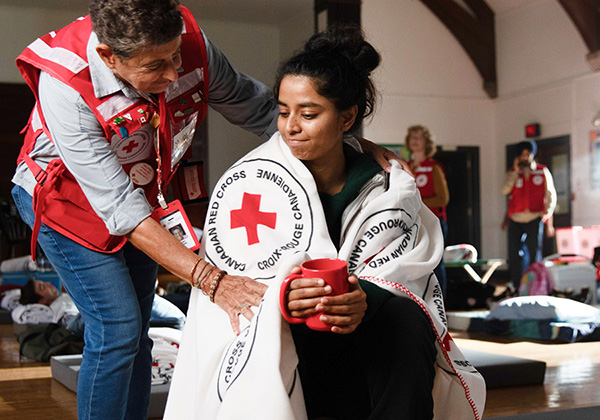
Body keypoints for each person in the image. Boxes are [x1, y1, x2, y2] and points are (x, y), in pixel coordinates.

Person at [11, 1, 401, 419]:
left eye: (176, 54)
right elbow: (119, 208)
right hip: (66, 202)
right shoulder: (66, 85)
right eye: (156, 65)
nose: (174, 73)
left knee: (137, 331)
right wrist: (211, 280)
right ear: (109, 57)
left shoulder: (192, 44)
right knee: (117, 328)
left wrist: (347, 145)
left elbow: (262, 110)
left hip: (140, 194)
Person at [165, 25, 485, 420]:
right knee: (288, 335)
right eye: (283, 112)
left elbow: (409, 271)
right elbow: (239, 279)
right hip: (293, 344)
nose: (291, 127)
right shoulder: (250, 182)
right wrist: (283, 300)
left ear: (346, 117)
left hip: (364, 338)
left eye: (309, 113)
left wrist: (363, 298)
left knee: (406, 321)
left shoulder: (386, 186)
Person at [19, 279, 186, 331]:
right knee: (184, 302)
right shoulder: (60, 308)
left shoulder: (63, 297)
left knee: (181, 297)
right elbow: (77, 323)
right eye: (42, 287)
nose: (48, 284)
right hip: (121, 307)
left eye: (44, 282)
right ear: (41, 301)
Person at [502, 140, 556, 290]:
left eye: (528, 154)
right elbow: (505, 190)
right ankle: (517, 285)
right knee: (514, 254)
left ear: (532, 155)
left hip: (534, 217)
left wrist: (547, 212)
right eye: (523, 155)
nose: (525, 157)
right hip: (516, 218)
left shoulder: (542, 170)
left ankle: (535, 284)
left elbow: (551, 193)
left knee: (534, 253)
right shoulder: (513, 172)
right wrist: (515, 172)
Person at [405, 125, 450, 296]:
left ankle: (439, 302)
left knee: (435, 263)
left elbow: (443, 198)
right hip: (411, 223)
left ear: (427, 142)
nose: (415, 141)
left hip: (433, 222)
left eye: (419, 137)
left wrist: (418, 202)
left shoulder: (434, 167)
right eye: (412, 137)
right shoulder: (406, 166)